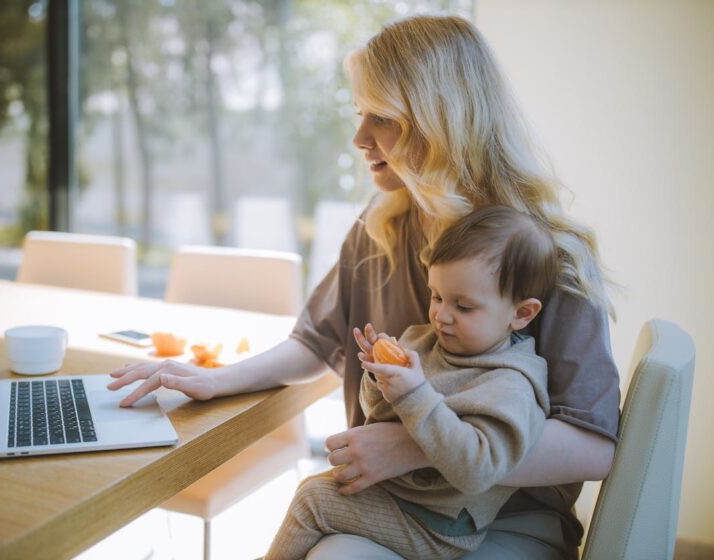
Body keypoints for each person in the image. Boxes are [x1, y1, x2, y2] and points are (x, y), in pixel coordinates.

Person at [107, 15, 619, 559]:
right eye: (359, 115)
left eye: (383, 118)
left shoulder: (547, 255)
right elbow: (316, 342)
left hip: (506, 521)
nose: (359, 138)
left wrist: (416, 445)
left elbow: (592, 447)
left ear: (441, 120)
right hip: (393, 500)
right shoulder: (381, 225)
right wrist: (218, 379)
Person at [264, 206, 556, 559]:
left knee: (312, 501)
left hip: (438, 524)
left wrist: (415, 394)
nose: (441, 316)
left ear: (522, 313)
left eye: (463, 307)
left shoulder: (511, 384)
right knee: (318, 490)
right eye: (436, 296)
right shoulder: (424, 341)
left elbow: (478, 471)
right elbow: (379, 414)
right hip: (399, 496)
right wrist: (380, 376)